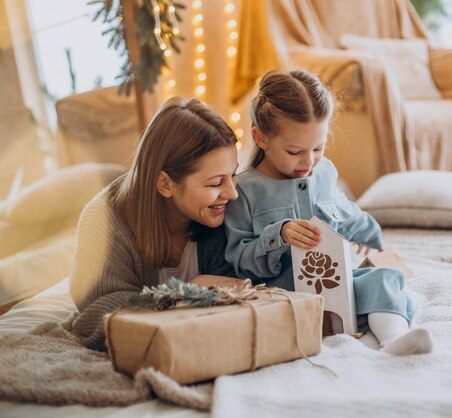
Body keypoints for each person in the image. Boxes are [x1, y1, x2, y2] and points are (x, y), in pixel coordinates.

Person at [225, 70, 432, 356]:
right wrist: (279, 234)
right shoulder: (244, 191)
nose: (308, 161)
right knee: (363, 290)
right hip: (285, 293)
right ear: (260, 138)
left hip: (336, 283)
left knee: (382, 278)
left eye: (318, 148)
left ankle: (394, 340)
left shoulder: (324, 172)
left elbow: (346, 214)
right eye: (295, 151)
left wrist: (375, 240)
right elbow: (238, 261)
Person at [70, 97, 243, 352]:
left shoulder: (226, 210)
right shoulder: (104, 220)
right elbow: (96, 312)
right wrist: (184, 294)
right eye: (216, 183)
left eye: (234, 175)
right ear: (165, 184)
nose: (232, 193)